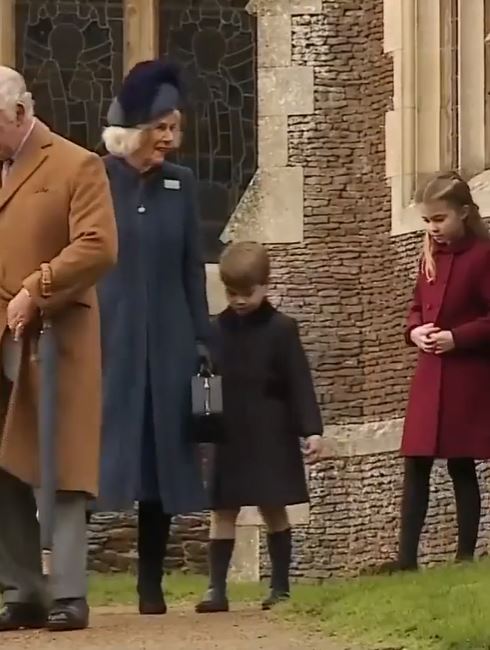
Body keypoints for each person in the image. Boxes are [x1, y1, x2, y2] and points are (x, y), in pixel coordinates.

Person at [0, 66, 117, 631]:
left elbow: (98, 247)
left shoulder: (76, 164)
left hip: (58, 334)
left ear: (21, 113)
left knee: (64, 464)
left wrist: (36, 288)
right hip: (1, 336)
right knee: (2, 464)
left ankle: (69, 592)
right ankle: (23, 588)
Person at [96, 60, 210, 615]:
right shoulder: (94, 177)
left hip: (168, 339)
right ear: (134, 129)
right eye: (160, 126)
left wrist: (202, 339)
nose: (169, 138)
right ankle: (65, 577)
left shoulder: (181, 184)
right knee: (95, 453)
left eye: (175, 127)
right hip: (107, 339)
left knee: (162, 458)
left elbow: (193, 267)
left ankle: (150, 584)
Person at [195, 242, 324, 613]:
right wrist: (203, 426)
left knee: (273, 508)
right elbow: (204, 379)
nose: (238, 300)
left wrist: (312, 430)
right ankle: (216, 589)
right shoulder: (213, 331)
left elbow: (300, 382)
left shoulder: (283, 329)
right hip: (228, 432)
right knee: (222, 510)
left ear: (266, 285)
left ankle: (280, 586)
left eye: (246, 293)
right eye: (231, 292)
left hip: (272, 431)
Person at [393, 171, 490, 571]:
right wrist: (415, 331)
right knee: (415, 463)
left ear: (463, 213)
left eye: (439, 219)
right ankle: (406, 560)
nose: (432, 228)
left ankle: (465, 555)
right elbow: (416, 306)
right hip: (430, 374)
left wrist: (457, 338)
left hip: (467, 376)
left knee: (461, 463)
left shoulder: (484, 256)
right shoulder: (427, 255)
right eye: (426, 221)